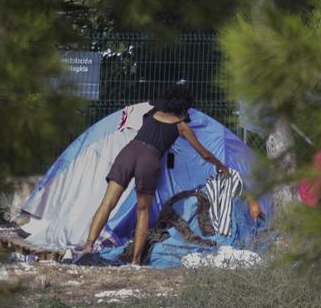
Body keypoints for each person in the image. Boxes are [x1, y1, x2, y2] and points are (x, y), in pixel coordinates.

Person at [81, 85, 230, 265]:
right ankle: (135, 262)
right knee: (143, 211)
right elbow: (204, 154)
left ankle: (88, 247)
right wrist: (221, 165)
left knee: (108, 202)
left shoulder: (153, 112)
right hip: (149, 159)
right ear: (184, 108)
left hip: (128, 152)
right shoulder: (181, 126)